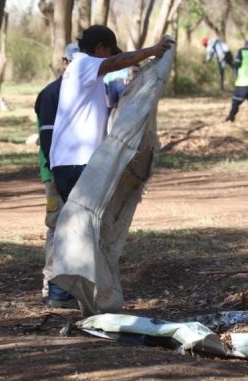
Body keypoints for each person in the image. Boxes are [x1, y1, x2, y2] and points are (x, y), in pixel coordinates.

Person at [48, 25, 173, 304]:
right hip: (74, 161)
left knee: (79, 223)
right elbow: (117, 62)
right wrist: (153, 51)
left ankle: (69, 291)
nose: (111, 61)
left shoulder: (85, 75)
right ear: (100, 47)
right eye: (109, 52)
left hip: (74, 161)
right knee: (80, 224)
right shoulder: (83, 64)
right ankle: (63, 291)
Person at [34, 42, 79, 308]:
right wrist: (57, 174)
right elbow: (48, 138)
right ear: (64, 62)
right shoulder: (52, 94)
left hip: (76, 170)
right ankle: (53, 285)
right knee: (57, 226)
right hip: (55, 172)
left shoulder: (89, 90)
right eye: (73, 63)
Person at [226, 40, 248, 128]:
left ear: (245, 45)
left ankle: (230, 118)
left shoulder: (241, 51)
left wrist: (230, 62)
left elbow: (237, 64)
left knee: (236, 102)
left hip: (242, 82)